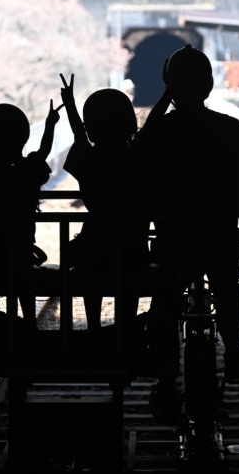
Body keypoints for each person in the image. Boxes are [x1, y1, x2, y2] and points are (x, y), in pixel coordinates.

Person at [135, 44, 239, 410]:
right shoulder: (231, 129)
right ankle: (234, 351)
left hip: (172, 240)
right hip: (220, 237)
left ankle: (165, 380)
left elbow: (140, 168)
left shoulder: (159, 132)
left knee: (165, 302)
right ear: (208, 85)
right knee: (228, 291)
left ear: (170, 85)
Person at [58, 74, 149, 329]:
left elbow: (79, 135)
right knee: (129, 285)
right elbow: (150, 129)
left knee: (91, 280)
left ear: (91, 125)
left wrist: (70, 105)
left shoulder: (88, 159)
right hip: (132, 240)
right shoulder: (136, 157)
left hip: (94, 240)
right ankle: (126, 329)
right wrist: (168, 93)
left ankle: (94, 329)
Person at [0, 96, 63, 324]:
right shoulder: (27, 169)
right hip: (21, 247)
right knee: (24, 289)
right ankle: (29, 329)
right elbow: (43, 151)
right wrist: (50, 124)